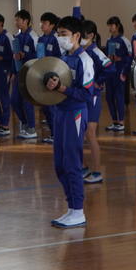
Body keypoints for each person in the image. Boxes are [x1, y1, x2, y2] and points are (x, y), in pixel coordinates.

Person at [47, 16, 94, 228]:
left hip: (75, 113)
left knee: (72, 162)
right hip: (60, 111)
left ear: (76, 36)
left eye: (63, 34)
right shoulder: (64, 58)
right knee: (60, 163)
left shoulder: (85, 60)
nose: (60, 38)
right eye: (58, 34)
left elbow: (86, 94)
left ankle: (78, 211)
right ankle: (71, 207)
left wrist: (62, 88)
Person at [80, 17, 112, 184]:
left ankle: (97, 171)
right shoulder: (79, 52)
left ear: (91, 35)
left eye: (83, 35)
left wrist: (99, 82)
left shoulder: (96, 52)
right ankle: (83, 167)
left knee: (90, 133)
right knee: (80, 133)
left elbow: (110, 68)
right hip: (81, 97)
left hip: (92, 97)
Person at [10, 9, 39, 139]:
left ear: (26, 21)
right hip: (18, 73)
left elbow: (39, 55)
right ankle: (25, 123)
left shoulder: (33, 36)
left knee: (27, 101)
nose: (16, 22)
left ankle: (31, 128)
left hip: (30, 73)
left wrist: (25, 55)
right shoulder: (17, 37)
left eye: (18, 20)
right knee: (14, 101)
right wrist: (13, 72)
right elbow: (15, 57)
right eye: (15, 20)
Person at [37, 11, 62, 143]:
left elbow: (61, 59)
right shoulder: (40, 39)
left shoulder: (56, 39)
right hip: (43, 74)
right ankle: (53, 133)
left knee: (53, 106)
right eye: (41, 23)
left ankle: (57, 134)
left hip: (54, 76)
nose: (42, 25)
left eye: (45, 23)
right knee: (46, 107)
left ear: (52, 25)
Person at [105, 16, 132, 132]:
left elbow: (130, 57)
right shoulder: (109, 40)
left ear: (118, 26)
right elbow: (108, 56)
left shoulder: (124, 40)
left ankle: (121, 122)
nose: (110, 28)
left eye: (112, 25)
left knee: (119, 97)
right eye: (109, 26)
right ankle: (114, 121)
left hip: (120, 73)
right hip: (110, 73)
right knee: (109, 97)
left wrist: (123, 66)